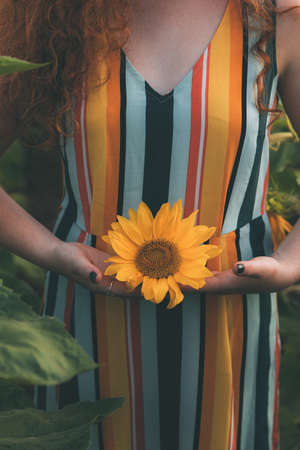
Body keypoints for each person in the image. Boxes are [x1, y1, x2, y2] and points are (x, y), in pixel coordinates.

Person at [0, 0, 300, 448]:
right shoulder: (47, 14)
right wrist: (50, 251)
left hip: (229, 325)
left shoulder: (277, 18)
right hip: (88, 314)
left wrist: (289, 263)